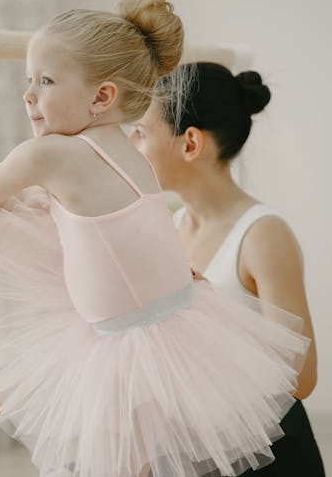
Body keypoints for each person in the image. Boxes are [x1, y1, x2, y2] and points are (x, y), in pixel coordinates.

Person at [0, 0, 309, 477]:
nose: (29, 95)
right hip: (173, 326)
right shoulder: (127, 152)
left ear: (101, 96)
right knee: (6, 233)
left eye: (46, 81)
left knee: (127, 465)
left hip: (125, 342)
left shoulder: (52, 155)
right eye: (28, 81)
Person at [130, 61, 323, 476]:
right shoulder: (173, 226)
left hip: (268, 453)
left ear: (190, 143)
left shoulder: (262, 234)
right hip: (199, 446)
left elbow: (302, 379)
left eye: (142, 132)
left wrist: (215, 309)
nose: (131, 143)